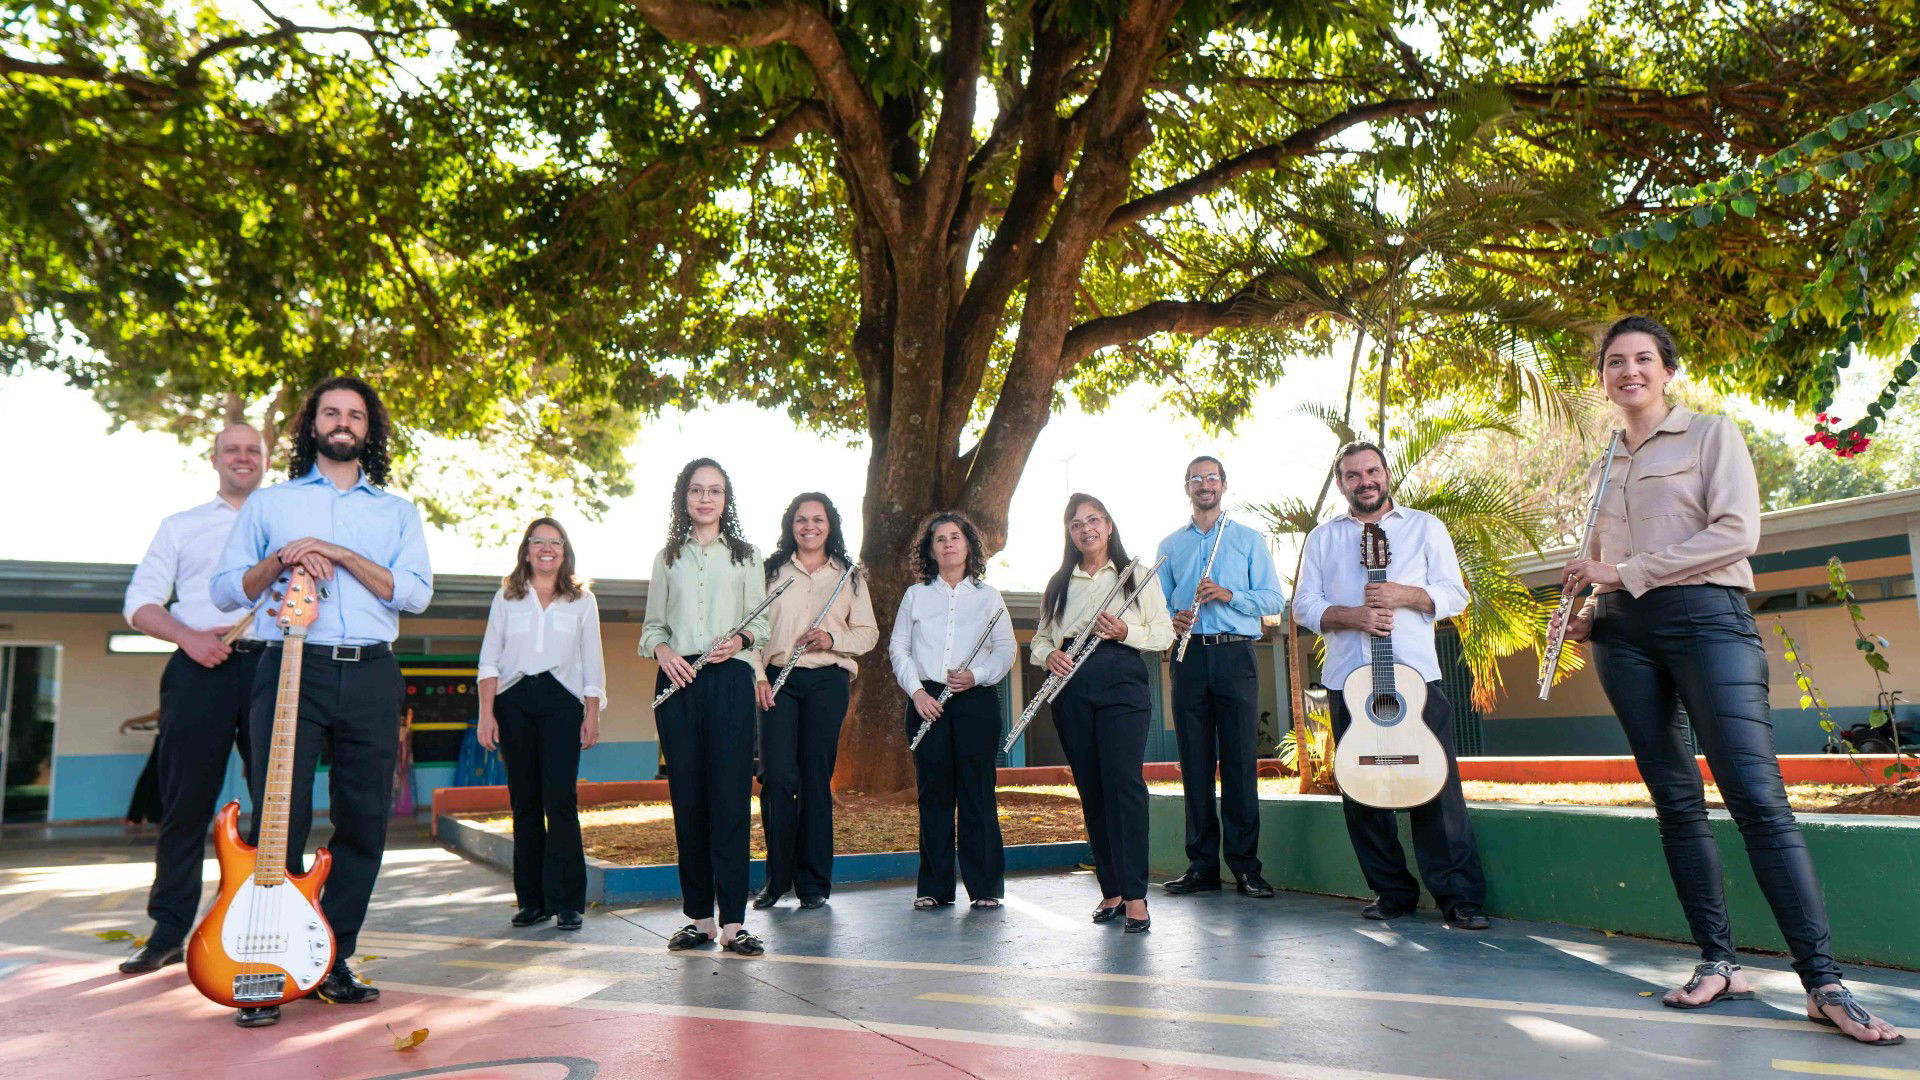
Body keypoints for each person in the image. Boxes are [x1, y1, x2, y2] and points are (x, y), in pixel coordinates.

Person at [1555, 315, 1902, 1046]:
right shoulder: (1601, 468)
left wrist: (1626, 573)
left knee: (1756, 799)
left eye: (1643, 358)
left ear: (1667, 369)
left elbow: (1736, 533)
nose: (1629, 372)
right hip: (1624, 634)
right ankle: (1718, 962)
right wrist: (1590, 612)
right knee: (1675, 803)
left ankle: (1823, 982)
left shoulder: (1713, 436)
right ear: (1604, 378)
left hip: (1708, 620)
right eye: (1615, 363)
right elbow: (1600, 563)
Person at [210, 376, 432, 1028]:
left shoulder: (396, 513)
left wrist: (337, 551)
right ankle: (267, 965)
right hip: (287, 669)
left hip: (370, 673)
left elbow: (413, 594)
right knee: (279, 824)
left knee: (365, 824)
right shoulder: (270, 504)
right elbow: (228, 591)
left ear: (370, 429)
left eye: (355, 414)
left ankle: (329, 957)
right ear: (312, 425)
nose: (342, 422)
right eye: (331, 412)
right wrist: (282, 557)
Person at [1293, 441, 1490, 930]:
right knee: (1362, 792)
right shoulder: (1322, 538)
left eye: (1372, 471)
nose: (1365, 481)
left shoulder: (1425, 527)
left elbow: (1456, 595)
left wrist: (1406, 595)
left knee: (1437, 791)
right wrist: (1350, 616)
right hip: (1348, 683)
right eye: (1353, 475)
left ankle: (1459, 898)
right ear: (1341, 483)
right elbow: (1303, 606)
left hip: (1416, 681)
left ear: (1386, 474)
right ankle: (1391, 892)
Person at [117, 424, 268, 976]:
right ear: (215, 459)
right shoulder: (181, 526)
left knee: (278, 804)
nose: (243, 457)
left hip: (273, 668)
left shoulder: (285, 525)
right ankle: (168, 931)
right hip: (198, 664)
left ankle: (268, 923)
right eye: (233, 449)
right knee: (183, 807)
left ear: (265, 459)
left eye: (253, 449)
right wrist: (189, 637)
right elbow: (140, 603)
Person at [642, 458, 770, 957]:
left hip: (730, 680)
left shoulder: (746, 556)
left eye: (714, 491)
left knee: (730, 802)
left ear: (725, 499)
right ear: (684, 497)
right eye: (696, 490)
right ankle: (698, 919)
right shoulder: (666, 557)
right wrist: (666, 651)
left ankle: (734, 924)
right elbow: (653, 627)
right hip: (677, 682)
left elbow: (761, 626)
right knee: (688, 802)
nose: (705, 499)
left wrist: (737, 638)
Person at [1030, 494, 1172, 933]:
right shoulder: (1058, 583)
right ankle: (1110, 889)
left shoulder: (1138, 576)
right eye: (1076, 523)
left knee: (1124, 786)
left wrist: (1126, 630)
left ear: (1109, 525)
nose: (1085, 528)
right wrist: (1049, 655)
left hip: (1122, 680)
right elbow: (1039, 640)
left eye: (1093, 520)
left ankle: (1136, 895)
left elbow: (1164, 633)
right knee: (1090, 788)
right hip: (1071, 685)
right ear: (1069, 532)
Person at [1156, 456, 1286, 897]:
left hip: (1235, 657)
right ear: (1186, 487)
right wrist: (1168, 620)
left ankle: (1246, 868)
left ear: (1224, 485)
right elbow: (1154, 609)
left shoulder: (1248, 539)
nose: (1204, 485)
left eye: (1211, 478)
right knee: (1193, 765)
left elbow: (1274, 600)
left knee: (1238, 764)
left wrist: (1229, 595)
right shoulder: (1170, 545)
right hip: (1188, 657)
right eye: (1196, 478)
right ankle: (1202, 868)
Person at [476, 517, 606, 932]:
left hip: (561, 703)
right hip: (513, 701)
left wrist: (592, 713)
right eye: (539, 542)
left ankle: (568, 902)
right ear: (526, 549)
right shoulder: (507, 597)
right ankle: (532, 901)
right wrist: (486, 713)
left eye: (555, 542)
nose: (546, 549)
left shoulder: (582, 600)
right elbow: (489, 660)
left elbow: (592, 662)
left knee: (560, 801)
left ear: (564, 551)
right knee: (524, 803)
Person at [752, 493, 878, 910]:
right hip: (777, 681)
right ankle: (776, 879)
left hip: (827, 680)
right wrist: (757, 676)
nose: (809, 526)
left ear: (830, 525)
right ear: (791, 525)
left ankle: (813, 885)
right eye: (801, 519)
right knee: (776, 777)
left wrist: (830, 638)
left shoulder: (849, 576)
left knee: (814, 780)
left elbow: (868, 634)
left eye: (818, 519)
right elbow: (752, 628)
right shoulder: (769, 571)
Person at [889, 511, 1015, 911]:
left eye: (955, 537)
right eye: (939, 539)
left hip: (974, 700)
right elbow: (899, 649)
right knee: (934, 793)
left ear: (968, 544)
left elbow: (1007, 649)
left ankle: (985, 887)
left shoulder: (988, 596)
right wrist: (917, 692)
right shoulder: (915, 595)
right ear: (930, 549)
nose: (947, 543)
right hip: (927, 702)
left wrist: (976, 675)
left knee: (977, 793)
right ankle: (935, 887)